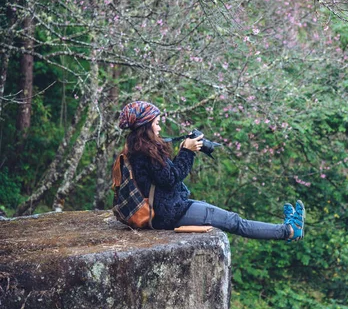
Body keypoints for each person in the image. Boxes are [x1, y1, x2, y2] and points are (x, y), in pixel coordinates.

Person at [112, 101, 305, 242]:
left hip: (170, 207)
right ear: (145, 126)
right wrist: (187, 151)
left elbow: (163, 177)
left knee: (225, 216)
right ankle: (289, 230)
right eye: (156, 123)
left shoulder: (138, 147)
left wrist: (183, 151)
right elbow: (171, 178)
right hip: (167, 214)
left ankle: (286, 228)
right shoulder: (146, 151)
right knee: (234, 221)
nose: (159, 127)